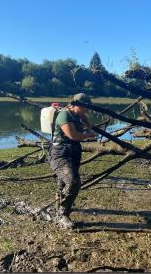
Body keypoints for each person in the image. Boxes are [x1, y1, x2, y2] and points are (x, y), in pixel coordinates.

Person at [48, 93, 96, 229]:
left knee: (63, 182)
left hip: (73, 152)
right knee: (73, 182)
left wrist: (83, 116)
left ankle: (58, 206)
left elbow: (89, 125)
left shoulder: (76, 114)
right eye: (85, 107)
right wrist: (89, 136)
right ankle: (63, 214)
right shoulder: (65, 115)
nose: (87, 110)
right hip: (60, 154)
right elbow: (73, 135)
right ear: (77, 105)